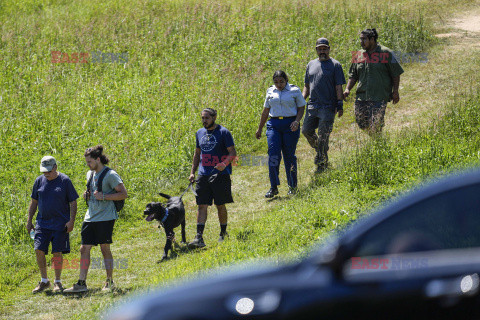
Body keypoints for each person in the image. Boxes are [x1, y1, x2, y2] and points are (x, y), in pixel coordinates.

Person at [64, 145, 127, 293]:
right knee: (83, 248)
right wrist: (87, 195)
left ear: (98, 159)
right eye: (87, 162)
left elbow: (123, 194)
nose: (88, 165)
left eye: (90, 162)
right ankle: (81, 283)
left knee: (105, 249)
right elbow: (92, 190)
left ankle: (109, 281)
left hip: (105, 217)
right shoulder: (89, 174)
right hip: (90, 217)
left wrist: (104, 196)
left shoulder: (111, 175)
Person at [27, 156, 79, 293]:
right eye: (44, 171)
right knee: (38, 249)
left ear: (55, 167)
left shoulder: (65, 181)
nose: (46, 174)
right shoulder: (39, 181)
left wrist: (71, 221)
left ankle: (57, 281)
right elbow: (34, 202)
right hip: (42, 223)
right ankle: (44, 281)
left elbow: (73, 202)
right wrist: (29, 220)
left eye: (48, 171)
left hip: (60, 224)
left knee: (57, 252)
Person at [188, 108, 236, 248]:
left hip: (220, 175)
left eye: (207, 118)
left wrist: (224, 164)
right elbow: (197, 154)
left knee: (220, 205)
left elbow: (232, 152)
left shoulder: (224, 132)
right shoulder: (199, 133)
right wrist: (192, 172)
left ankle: (223, 233)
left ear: (214, 118)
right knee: (201, 205)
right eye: (202, 118)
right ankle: (199, 238)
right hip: (203, 175)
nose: (204, 121)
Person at [343, 28, 404, 136]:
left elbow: (395, 74)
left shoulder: (386, 53)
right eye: (360, 39)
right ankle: (376, 139)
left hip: (379, 96)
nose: (361, 42)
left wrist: (395, 91)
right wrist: (348, 88)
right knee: (361, 122)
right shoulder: (358, 54)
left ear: (372, 39)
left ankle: (378, 143)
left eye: (364, 39)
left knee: (376, 123)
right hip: (362, 96)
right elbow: (353, 75)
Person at [256, 70, 306, 197]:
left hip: (290, 124)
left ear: (286, 80)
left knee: (289, 156)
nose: (279, 84)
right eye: (276, 82)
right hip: (274, 125)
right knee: (273, 154)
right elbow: (266, 110)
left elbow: (301, 107)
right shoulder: (270, 91)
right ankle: (273, 187)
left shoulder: (294, 90)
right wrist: (260, 128)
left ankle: (292, 186)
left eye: (281, 81)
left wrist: (297, 121)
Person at [301, 37, 346, 173]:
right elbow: (307, 86)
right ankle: (321, 149)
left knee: (323, 135)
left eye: (325, 49)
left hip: (328, 107)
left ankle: (321, 162)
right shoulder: (310, 64)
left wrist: (340, 104)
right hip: (312, 106)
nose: (322, 51)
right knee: (306, 131)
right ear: (316, 50)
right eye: (320, 49)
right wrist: (301, 101)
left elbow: (339, 86)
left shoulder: (335, 65)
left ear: (329, 49)